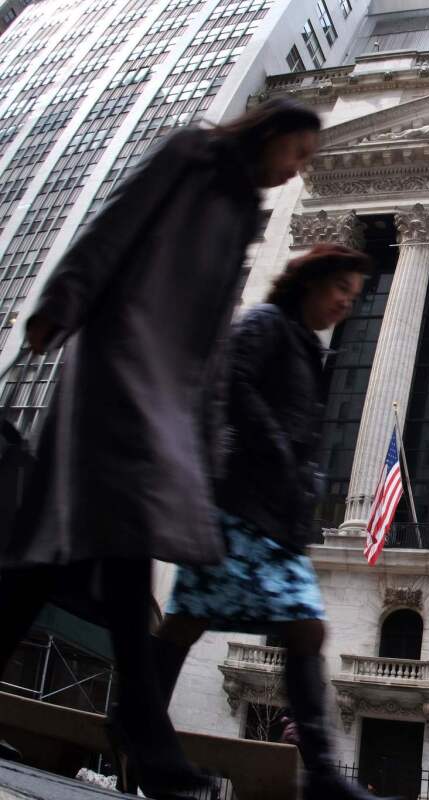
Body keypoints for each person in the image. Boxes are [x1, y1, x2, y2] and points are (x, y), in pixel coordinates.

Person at [0, 97, 321, 799]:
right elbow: (115, 227)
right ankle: (152, 747)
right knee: (121, 551)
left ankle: (147, 742)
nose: (299, 168)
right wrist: (63, 300)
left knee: (60, 556)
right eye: (298, 151)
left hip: (166, 387)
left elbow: (212, 333)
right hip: (118, 365)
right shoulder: (190, 156)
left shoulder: (241, 215)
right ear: (271, 133)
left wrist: (205, 433)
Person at [148, 244, 378, 800]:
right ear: (309, 283)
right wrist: (276, 450)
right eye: (339, 290)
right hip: (240, 499)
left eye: (353, 295)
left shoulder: (304, 344)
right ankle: (318, 772)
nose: (346, 304)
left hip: (272, 507)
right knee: (265, 624)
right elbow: (228, 384)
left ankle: (138, 724)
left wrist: (302, 477)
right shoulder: (265, 323)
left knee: (206, 621)